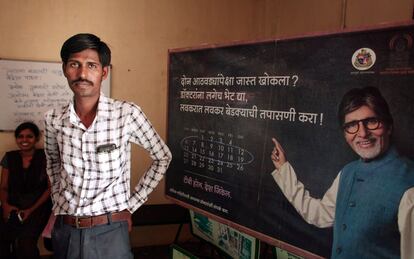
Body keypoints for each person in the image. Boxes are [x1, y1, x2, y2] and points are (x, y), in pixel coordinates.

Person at [44, 33, 172, 259]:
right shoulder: (53, 119)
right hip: (66, 230)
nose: (82, 73)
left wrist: (131, 205)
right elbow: (53, 162)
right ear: (65, 69)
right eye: (75, 64)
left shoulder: (126, 114)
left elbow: (163, 157)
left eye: (91, 65)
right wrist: (58, 201)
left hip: (110, 230)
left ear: (104, 72)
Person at [270, 87, 414, 259]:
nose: (362, 133)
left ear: (389, 126)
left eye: (372, 121)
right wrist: (283, 169)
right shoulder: (348, 172)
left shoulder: (409, 185)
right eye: (352, 125)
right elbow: (321, 215)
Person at [0, 122, 52, 259]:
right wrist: (5, 206)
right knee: (3, 241)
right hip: (12, 205)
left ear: (36, 138)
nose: (24, 140)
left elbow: (49, 188)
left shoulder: (45, 158)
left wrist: (30, 210)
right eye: (20, 136)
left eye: (29, 136)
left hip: (38, 207)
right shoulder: (9, 158)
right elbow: (4, 186)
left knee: (26, 244)